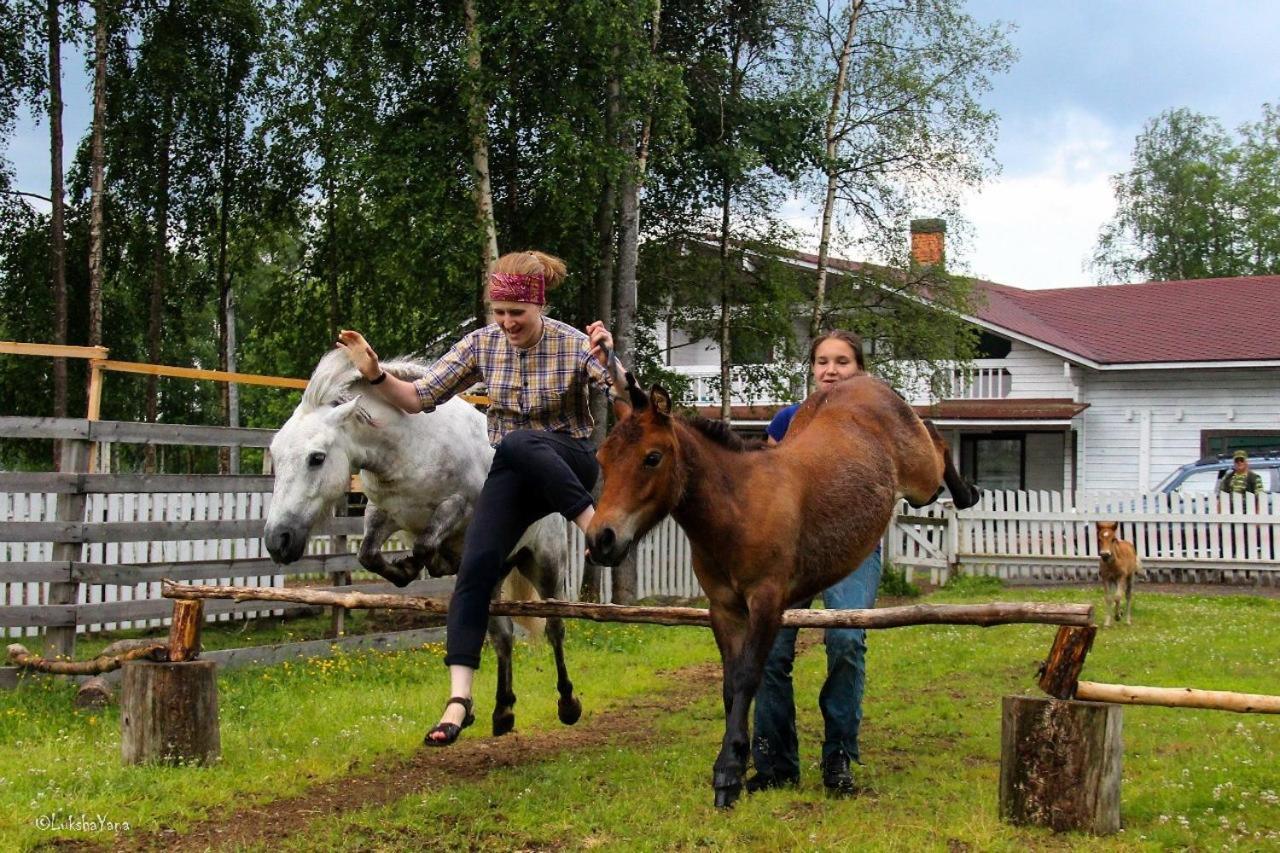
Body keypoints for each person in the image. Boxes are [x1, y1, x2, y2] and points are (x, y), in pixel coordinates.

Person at [336, 250, 627, 747]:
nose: (507, 323)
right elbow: (418, 397)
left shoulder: (574, 344)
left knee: (519, 440)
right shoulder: (481, 344)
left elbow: (624, 396)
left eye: (518, 313)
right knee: (476, 568)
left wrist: (610, 362)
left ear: (540, 307)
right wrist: (376, 373)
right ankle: (459, 700)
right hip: (512, 471)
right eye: (499, 312)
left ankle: (595, 529)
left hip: (569, 462)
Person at [747, 329, 881, 798]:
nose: (830, 370)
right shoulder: (787, 422)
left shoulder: (876, 424)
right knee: (770, 651)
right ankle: (775, 763)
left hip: (852, 548)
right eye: (822, 361)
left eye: (842, 362)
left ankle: (839, 756)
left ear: (859, 370)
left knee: (845, 640)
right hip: (791, 551)